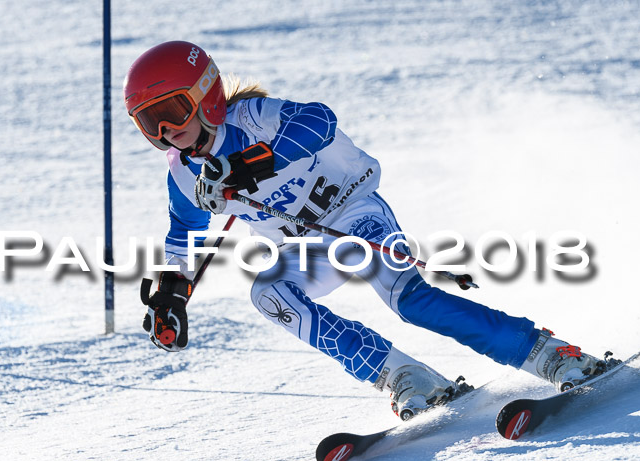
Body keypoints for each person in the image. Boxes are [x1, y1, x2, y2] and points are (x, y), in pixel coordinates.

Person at [124, 41, 609, 419]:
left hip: (355, 213)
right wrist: (171, 294)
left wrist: (249, 164)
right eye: (150, 121)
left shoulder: (255, 118)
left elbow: (319, 122)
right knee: (270, 295)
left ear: (206, 96)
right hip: (309, 248)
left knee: (408, 300)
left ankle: (549, 353)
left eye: (173, 112)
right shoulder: (183, 174)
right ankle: (406, 376)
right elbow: (184, 233)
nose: (165, 131)